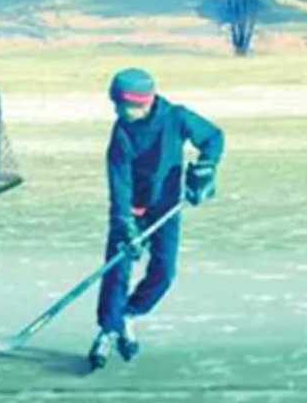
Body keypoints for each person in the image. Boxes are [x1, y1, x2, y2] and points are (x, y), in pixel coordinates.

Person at [88, 68, 225, 369]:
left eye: (120, 104)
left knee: (164, 272)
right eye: (115, 104)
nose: (117, 110)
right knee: (117, 271)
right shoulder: (121, 132)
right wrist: (123, 222)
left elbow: (213, 137)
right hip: (129, 211)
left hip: (165, 207)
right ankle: (107, 331)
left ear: (141, 102)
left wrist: (206, 167)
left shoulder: (177, 118)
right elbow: (119, 180)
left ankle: (129, 314)